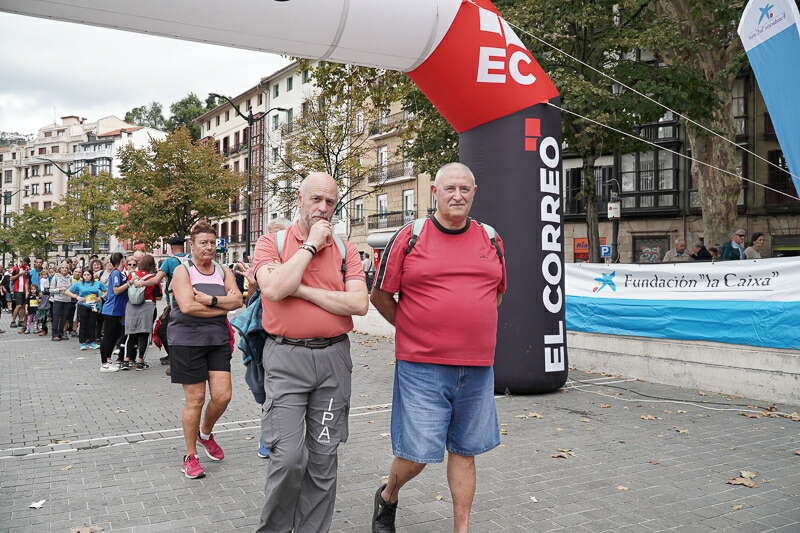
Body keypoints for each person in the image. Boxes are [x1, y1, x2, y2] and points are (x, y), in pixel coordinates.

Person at [369, 162, 507, 533]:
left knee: (466, 452)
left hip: (478, 368)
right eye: (450, 189)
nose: (458, 195)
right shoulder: (410, 236)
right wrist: (414, 328)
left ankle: (461, 529)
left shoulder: (491, 238)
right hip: (421, 367)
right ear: (435, 193)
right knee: (415, 457)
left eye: (465, 189)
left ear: (474, 193)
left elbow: (494, 294)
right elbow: (380, 295)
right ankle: (389, 494)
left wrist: (465, 324)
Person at [253, 172, 368, 533]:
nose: (322, 208)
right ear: (299, 199)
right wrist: (310, 246)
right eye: (315, 199)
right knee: (288, 458)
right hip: (286, 359)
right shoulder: (271, 242)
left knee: (323, 459)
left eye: (330, 202)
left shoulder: (347, 250)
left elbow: (359, 303)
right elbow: (273, 289)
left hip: (333, 361)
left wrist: (301, 291)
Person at [167, 222, 242, 479]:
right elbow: (187, 307)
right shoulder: (182, 271)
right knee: (196, 399)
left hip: (217, 340)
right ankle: (190, 456)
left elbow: (238, 300)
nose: (209, 247)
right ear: (192, 245)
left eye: (212, 242)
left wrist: (210, 300)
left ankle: (205, 433)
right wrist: (223, 308)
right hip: (186, 341)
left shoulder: (222, 270)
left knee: (223, 396)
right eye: (203, 242)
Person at [137, 235, 188, 372]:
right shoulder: (191, 259)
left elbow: (155, 280)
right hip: (190, 300)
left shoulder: (170, 261)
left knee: (165, 330)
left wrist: (140, 283)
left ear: (171, 247)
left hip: (176, 301)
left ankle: (175, 359)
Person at [122, 253, 161, 370]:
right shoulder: (153, 278)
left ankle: (126, 360)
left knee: (131, 333)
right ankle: (140, 361)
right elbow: (158, 296)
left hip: (131, 306)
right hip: (148, 306)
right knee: (144, 333)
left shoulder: (131, 275)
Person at [100, 253, 129, 371]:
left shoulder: (119, 273)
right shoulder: (116, 273)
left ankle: (108, 359)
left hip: (117, 310)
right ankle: (103, 363)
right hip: (111, 309)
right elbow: (116, 290)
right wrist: (129, 284)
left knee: (114, 336)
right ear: (122, 260)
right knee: (108, 336)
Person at [65, 269, 106, 351]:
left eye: (88, 275)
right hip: (83, 305)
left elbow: (106, 291)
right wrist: (77, 297)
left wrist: (101, 297)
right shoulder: (79, 284)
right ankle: (82, 343)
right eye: (85, 275)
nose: (87, 277)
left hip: (94, 306)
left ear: (91, 275)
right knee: (83, 325)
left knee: (92, 324)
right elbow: (67, 291)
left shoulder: (97, 283)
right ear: (82, 276)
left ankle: (92, 342)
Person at [50, 262, 73, 342]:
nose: (64, 269)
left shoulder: (69, 278)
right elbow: (51, 290)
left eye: (66, 268)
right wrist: (59, 289)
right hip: (58, 299)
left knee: (64, 316)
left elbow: (72, 288)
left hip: (67, 299)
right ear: (59, 269)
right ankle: (55, 334)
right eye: (63, 268)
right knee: (56, 316)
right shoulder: (56, 277)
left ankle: (61, 332)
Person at [9, 257, 30, 329]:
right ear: (22, 261)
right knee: (18, 305)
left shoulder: (28, 268)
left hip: (25, 290)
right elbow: (11, 278)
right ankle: (13, 321)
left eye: (27, 264)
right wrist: (19, 274)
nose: (25, 265)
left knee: (24, 306)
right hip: (17, 289)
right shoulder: (16, 268)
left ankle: (20, 320)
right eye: (25, 263)